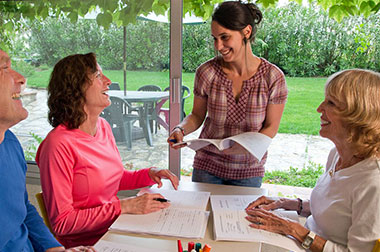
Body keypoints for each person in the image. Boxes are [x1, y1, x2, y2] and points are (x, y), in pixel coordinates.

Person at [35, 53, 179, 247]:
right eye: (98, 76)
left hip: (116, 229)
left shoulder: (103, 126)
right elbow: (62, 223)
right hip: (88, 245)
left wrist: (149, 174)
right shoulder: (57, 145)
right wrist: (125, 206)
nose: (109, 81)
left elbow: (113, 179)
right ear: (75, 87)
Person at [245, 69, 380, 251]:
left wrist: (294, 229)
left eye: (331, 103)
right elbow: (336, 212)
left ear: (358, 116)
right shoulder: (337, 154)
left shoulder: (374, 183)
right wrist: (289, 204)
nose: (319, 108)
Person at [168, 1, 288, 187]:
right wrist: (180, 129)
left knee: (239, 217)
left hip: (248, 170)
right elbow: (197, 115)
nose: (218, 45)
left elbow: (271, 127)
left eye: (225, 37)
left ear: (246, 32)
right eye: (215, 38)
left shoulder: (273, 77)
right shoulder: (206, 72)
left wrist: (246, 147)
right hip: (207, 167)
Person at [0, 49, 95, 251]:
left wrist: (56, 249)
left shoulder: (9, 142)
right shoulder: (58, 143)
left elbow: (22, 209)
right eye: (4, 68)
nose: (22, 78)